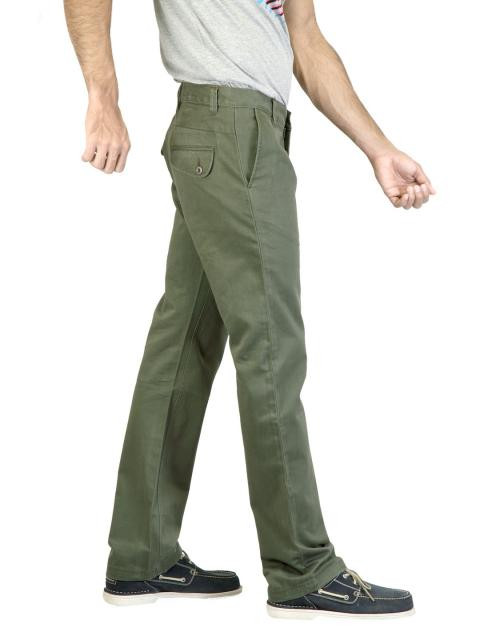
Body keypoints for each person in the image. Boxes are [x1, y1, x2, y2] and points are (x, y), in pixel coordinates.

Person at [64, 0, 434, 619]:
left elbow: (306, 39)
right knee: (271, 349)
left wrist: (379, 150)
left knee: (182, 347)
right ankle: (302, 568)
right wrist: (103, 96)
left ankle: (141, 555)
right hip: (229, 134)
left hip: (246, 134)